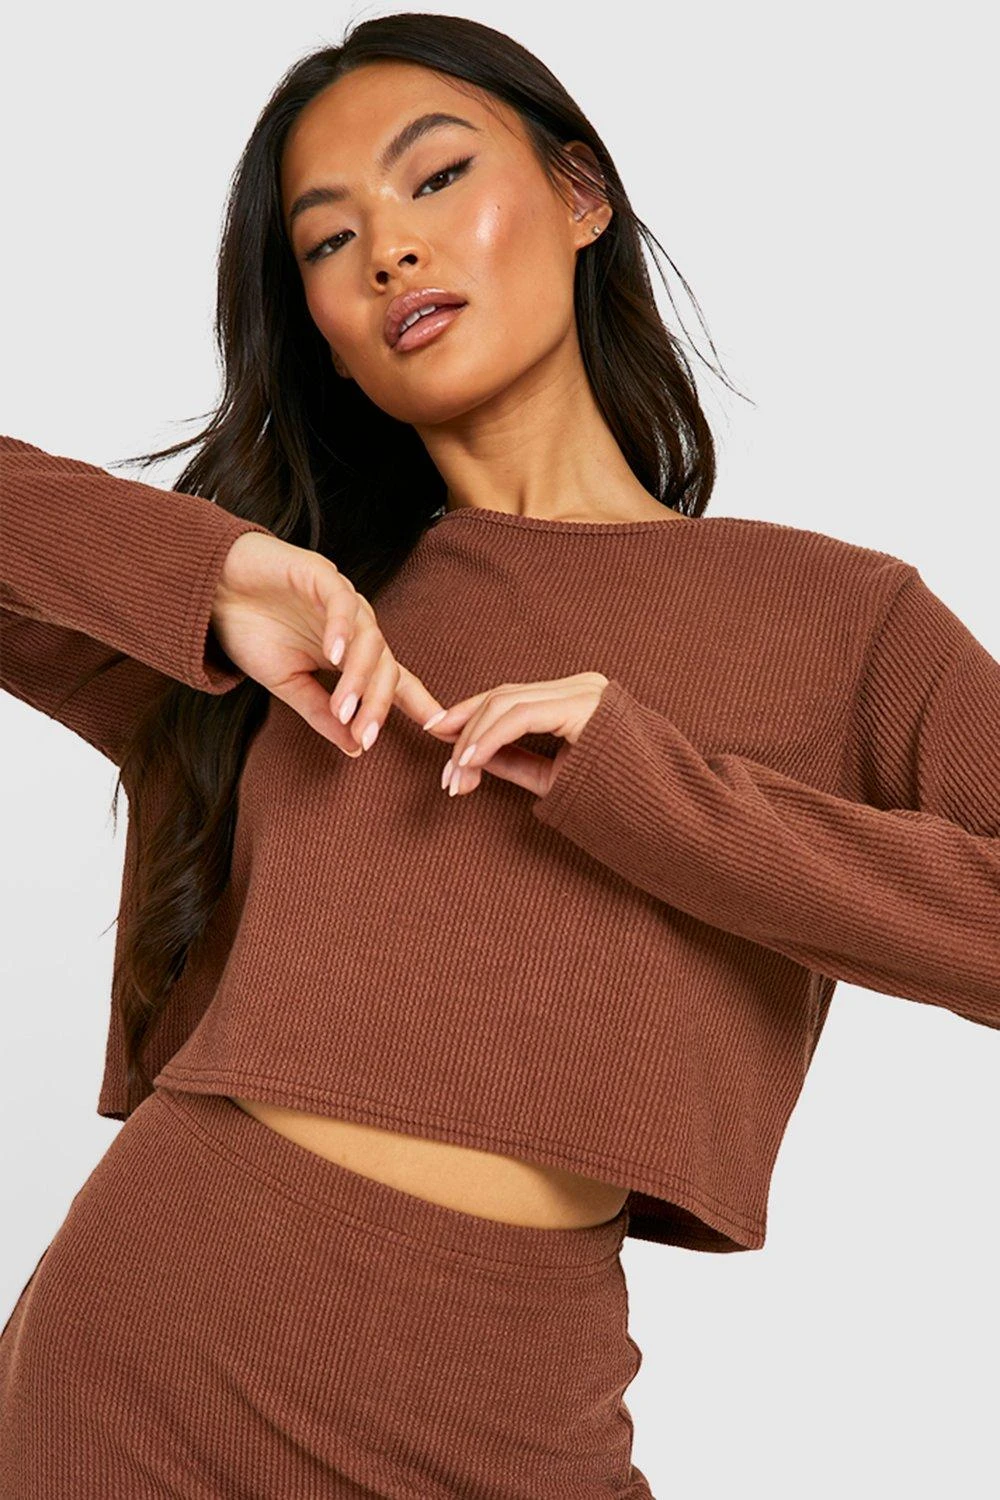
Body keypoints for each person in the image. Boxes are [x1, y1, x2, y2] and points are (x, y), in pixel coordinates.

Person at [2, 12, 997, 1498]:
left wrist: (649, 789)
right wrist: (210, 575)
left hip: (522, 1395)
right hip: (160, 1344)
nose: (389, 251)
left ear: (582, 197)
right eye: (328, 241)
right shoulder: (300, 631)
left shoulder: (840, 617)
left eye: (436, 177)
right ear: (322, 335)